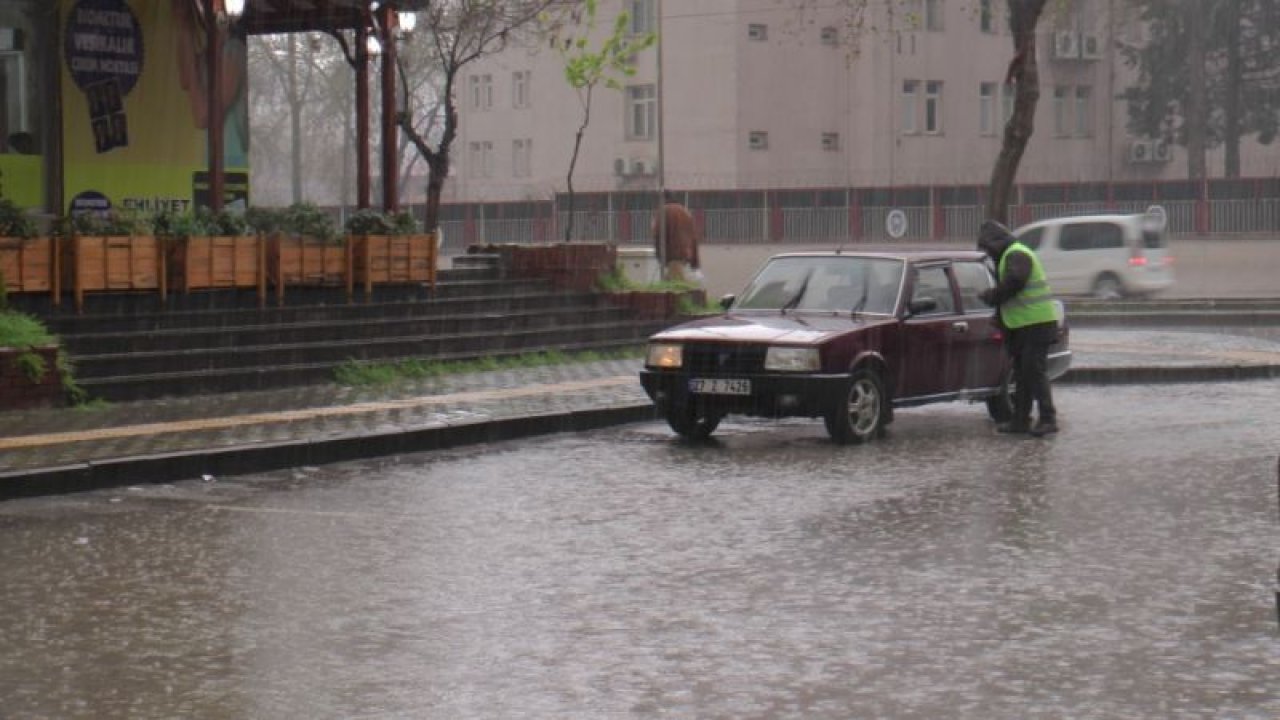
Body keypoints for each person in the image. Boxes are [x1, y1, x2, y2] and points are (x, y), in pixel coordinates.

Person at [977, 219, 1060, 437]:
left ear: (994, 243)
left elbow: (1015, 281)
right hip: (1025, 325)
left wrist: (992, 296)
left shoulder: (1017, 254)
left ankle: (1048, 419)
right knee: (1023, 374)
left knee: (1034, 371)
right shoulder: (1009, 255)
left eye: (987, 248)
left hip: (1036, 324)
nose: (987, 253)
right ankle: (1020, 420)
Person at [652, 191, 701, 283]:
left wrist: (659, 256)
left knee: (677, 286)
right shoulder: (685, 212)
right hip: (685, 255)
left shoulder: (664, 211)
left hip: (672, 254)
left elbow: (657, 234)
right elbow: (694, 238)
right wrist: (695, 263)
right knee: (669, 283)